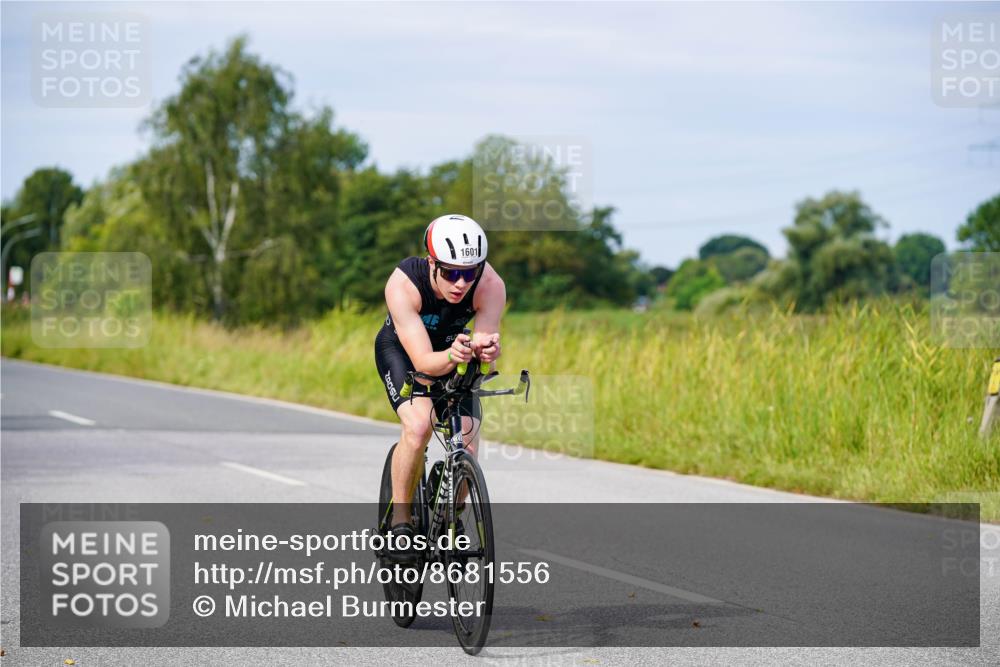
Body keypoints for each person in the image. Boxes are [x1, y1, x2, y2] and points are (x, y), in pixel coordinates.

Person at [375, 214, 506, 544]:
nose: (461, 283)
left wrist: (486, 352)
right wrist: (452, 355)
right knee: (419, 426)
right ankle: (401, 522)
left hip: (453, 352)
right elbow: (423, 362)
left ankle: (449, 513)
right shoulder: (404, 284)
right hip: (406, 354)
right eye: (450, 272)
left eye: (469, 272)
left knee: (468, 442)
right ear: (432, 263)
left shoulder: (490, 285)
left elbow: (485, 355)